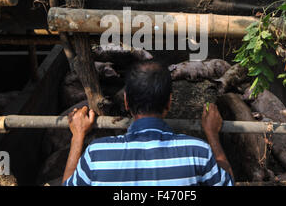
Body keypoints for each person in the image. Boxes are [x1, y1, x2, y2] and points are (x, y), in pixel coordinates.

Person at [62, 60, 234, 186]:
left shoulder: (96, 154)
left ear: (126, 102)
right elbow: (228, 183)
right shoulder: (198, 152)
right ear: (169, 102)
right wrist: (212, 135)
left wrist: (77, 136)